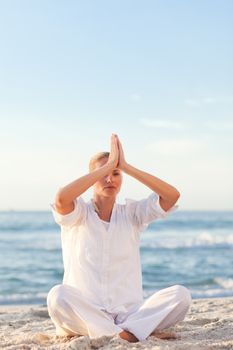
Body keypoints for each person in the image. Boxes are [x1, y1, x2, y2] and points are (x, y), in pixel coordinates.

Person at [47, 134, 192, 342]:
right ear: (91, 177)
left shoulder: (133, 214)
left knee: (181, 295)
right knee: (57, 296)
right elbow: (61, 198)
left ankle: (118, 333)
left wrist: (126, 166)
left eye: (115, 174)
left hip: (129, 315)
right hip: (86, 312)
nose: (109, 179)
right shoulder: (78, 213)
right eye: (102, 174)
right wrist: (106, 168)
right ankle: (131, 334)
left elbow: (172, 196)